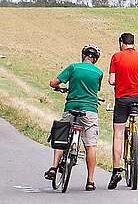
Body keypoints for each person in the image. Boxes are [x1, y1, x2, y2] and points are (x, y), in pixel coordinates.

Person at [44, 44, 103, 191]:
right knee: (90, 145)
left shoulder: (74, 67)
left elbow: (54, 83)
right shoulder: (98, 73)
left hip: (71, 107)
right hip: (89, 111)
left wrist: (58, 87)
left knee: (61, 136)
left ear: (83, 55)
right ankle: (90, 181)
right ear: (95, 59)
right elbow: (94, 90)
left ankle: (53, 167)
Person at [107, 32, 138, 190]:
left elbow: (111, 80)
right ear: (133, 43)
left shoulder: (116, 57)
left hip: (122, 99)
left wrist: (120, 81)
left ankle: (116, 170)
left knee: (118, 134)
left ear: (121, 43)